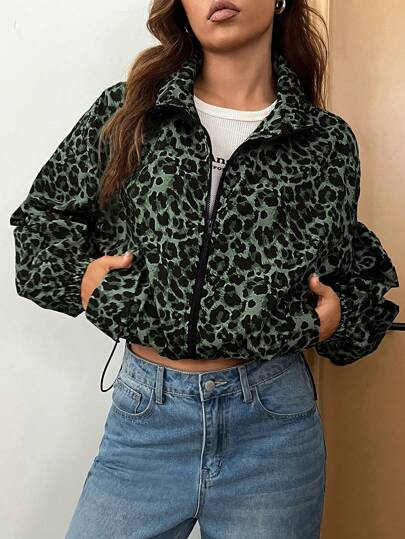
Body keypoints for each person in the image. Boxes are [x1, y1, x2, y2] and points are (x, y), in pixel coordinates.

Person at [9, 1, 400, 537]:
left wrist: (335, 320)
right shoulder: (131, 112)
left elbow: (352, 267)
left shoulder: (324, 141)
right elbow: (42, 219)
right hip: (147, 417)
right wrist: (80, 282)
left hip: (273, 427)